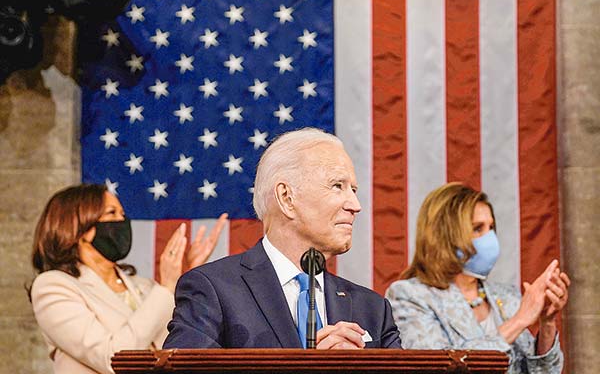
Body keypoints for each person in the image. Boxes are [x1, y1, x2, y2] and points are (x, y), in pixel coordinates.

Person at [163, 128, 401, 349]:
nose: (355, 205)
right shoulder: (213, 291)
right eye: (337, 186)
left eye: (354, 190)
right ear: (287, 197)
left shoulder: (373, 310)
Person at [30, 184, 228, 374]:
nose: (122, 221)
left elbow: (182, 343)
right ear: (78, 226)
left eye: (122, 214)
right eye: (111, 213)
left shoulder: (144, 287)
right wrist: (166, 286)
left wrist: (189, 275)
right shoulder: (52, 287)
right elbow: (113, 359)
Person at [385, 183, 569, 373]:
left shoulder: (507, 296)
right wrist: (519, 321)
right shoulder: (409, 296)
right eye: (477, 229)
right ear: (444, 235)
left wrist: (547, 323)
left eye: (491, 228)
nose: (490, 239)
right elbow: (437, 367)